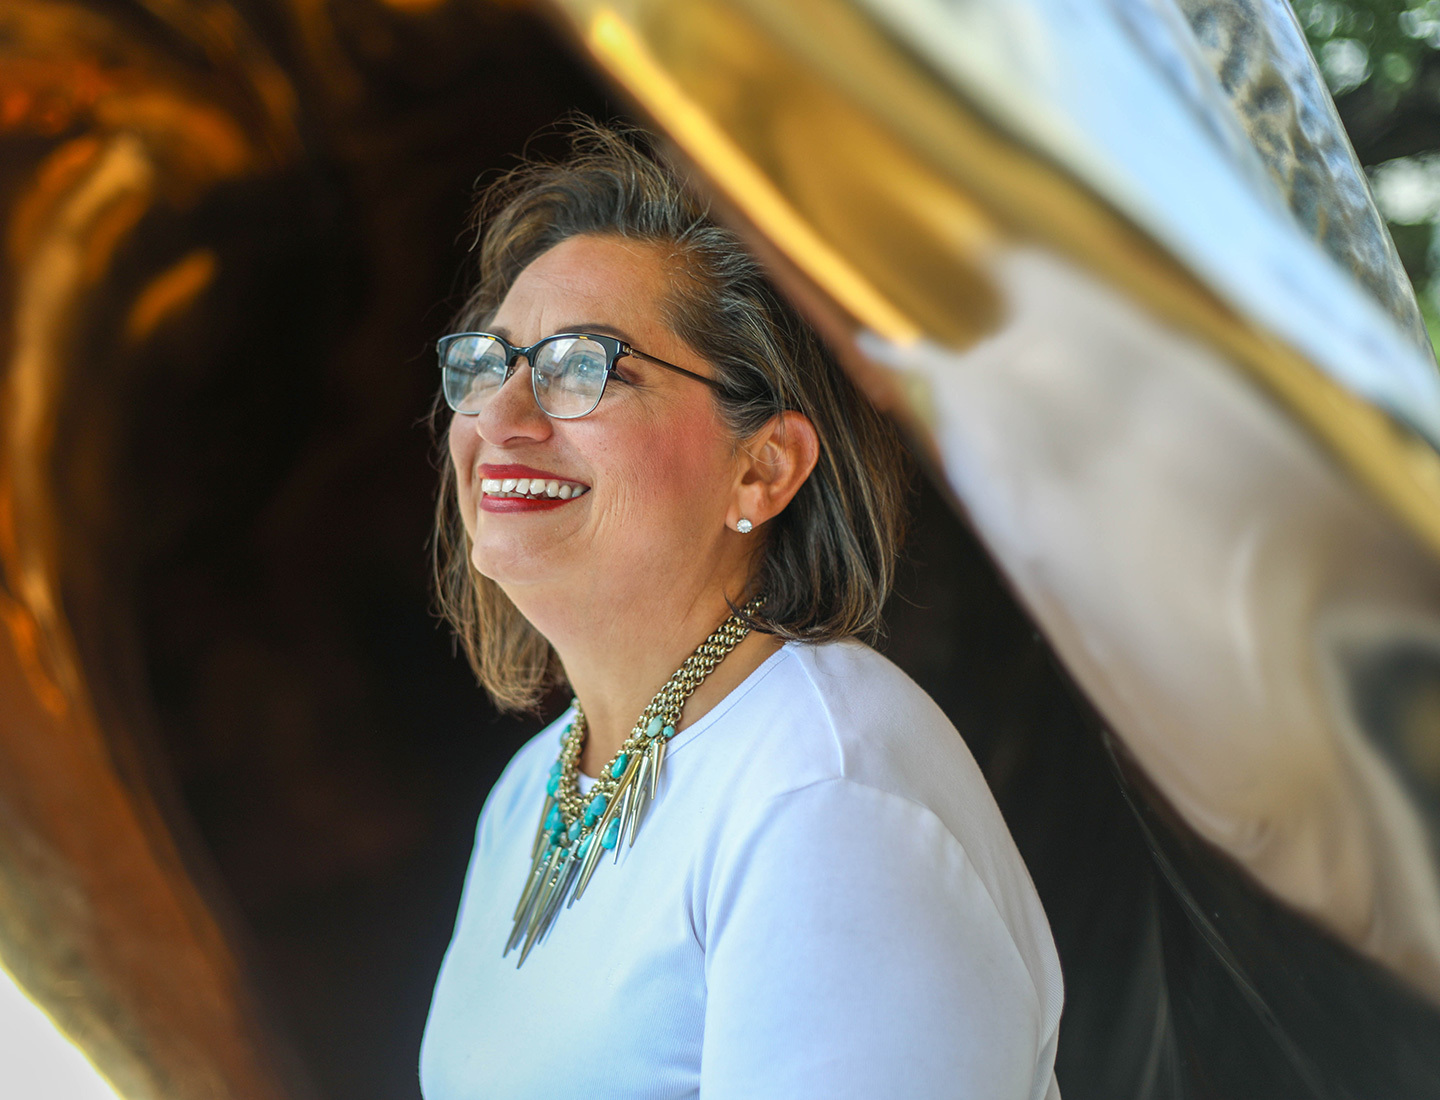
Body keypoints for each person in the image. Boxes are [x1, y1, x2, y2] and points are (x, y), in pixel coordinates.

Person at [419, 121, 1063, 1100]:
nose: (502, 419)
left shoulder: (828, 798)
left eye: (582, 366)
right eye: (490, 363)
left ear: (762, 466)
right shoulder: (530, 791)